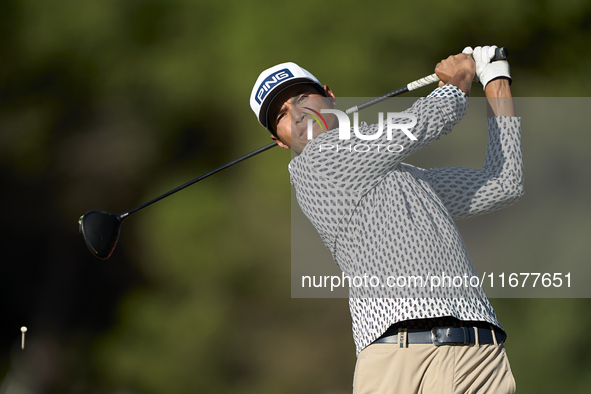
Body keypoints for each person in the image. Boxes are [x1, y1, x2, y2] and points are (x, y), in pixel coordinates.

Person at [250, 46, 523, 393]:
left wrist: (496, 78)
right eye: (283, 115)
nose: (300, 114)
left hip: (478, 354)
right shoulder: (316, 164)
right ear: (279, 140)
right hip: (399, 357)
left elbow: (503, 184)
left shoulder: (407, 178)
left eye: (303, 97)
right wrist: (461, 74)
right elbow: (427, 120)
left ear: (331, 98)